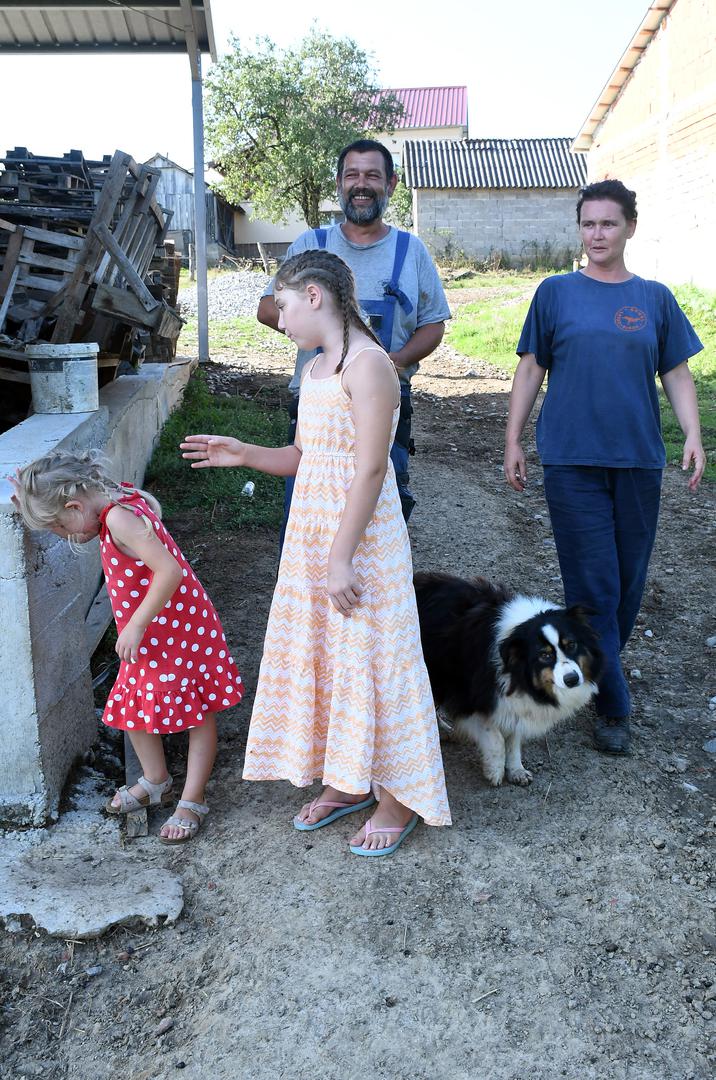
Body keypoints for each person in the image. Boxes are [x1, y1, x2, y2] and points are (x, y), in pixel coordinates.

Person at [183, 250, 451, 855]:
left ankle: (396, 796)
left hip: (359, 544)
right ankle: (348, 778)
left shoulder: (371, 365)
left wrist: (341, 558)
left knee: (375, 656)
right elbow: (307, 459)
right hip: (312, 536)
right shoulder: (316, 368)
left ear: (312, 296)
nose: (278, 320)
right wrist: (245, 451)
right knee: (330, 655)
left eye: (281, 305)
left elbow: (371, 469)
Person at [504, 179, 705, 755]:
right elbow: (529, 369)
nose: (597, 234)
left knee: (627, 588)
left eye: (608, 224)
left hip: (640, 462)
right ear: (580, 229)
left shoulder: (655, 298)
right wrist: (513, 438)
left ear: (629, 228)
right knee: (595, 588)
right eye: (588, 224)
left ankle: (596, 665)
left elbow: (676, 373)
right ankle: (612, 703)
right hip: (571, 462)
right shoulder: (556, 293)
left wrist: (692, 432)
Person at [12, 451, 243, 844]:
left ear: (74, 505)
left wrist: (136, 624)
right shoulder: (115, 499)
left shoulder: (119, 518)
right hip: (154, 631)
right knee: (132, 704)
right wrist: (32, 496)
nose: (64, 535)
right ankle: (156, 779)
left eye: (60, 525)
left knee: (196, 712)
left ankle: (192, 798)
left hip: (176, 630)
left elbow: (169, 568)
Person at [257, 138, 451, 526]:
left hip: (385, 402)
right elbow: (267, 307)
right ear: (339, 183)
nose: (361, 185)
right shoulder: (312, 245)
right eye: (352, 176)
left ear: (391, 184)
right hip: (317, 404)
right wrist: (320, 334)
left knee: (376, 516)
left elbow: (434, 323)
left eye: (373, 176)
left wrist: (389, 363)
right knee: (307, 519)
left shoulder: (411, 252)